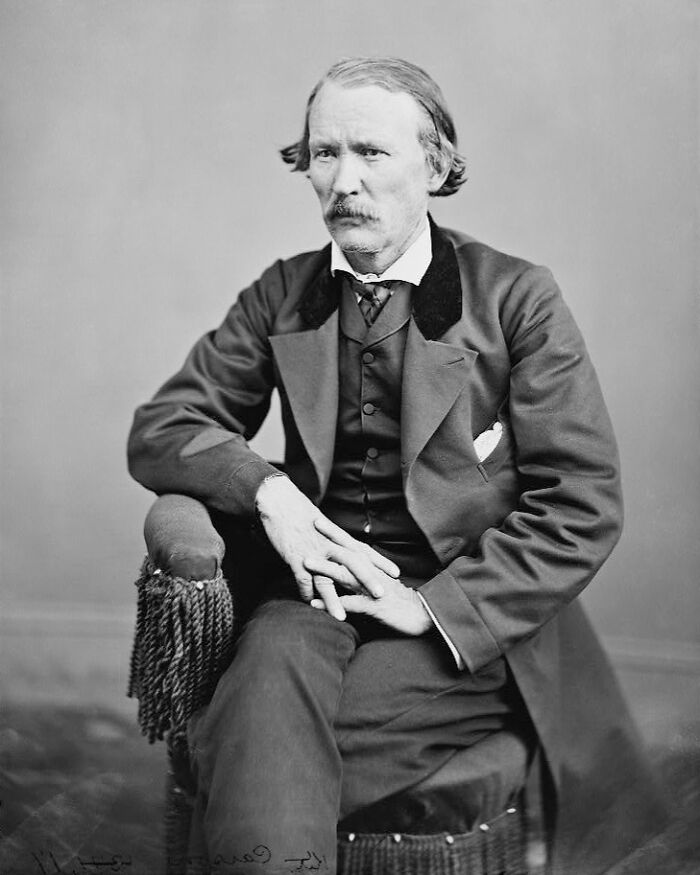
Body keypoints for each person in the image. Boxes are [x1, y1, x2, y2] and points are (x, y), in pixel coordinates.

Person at [128, 57, 665, 874]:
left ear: (437, 165)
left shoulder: (517, 299)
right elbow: (166, 424)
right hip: (319, 593)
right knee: (269, 661)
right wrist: (268, 492)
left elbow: (582, 502)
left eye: (371, 154)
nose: (344, 181)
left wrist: (430, 608)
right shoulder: (284, 294)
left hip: (463, 623)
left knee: (245, 731)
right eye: (323, 154)